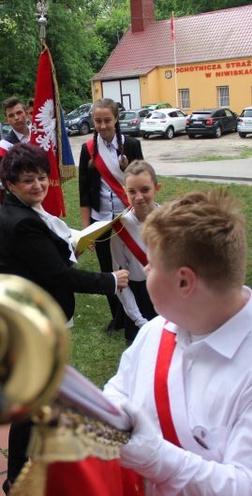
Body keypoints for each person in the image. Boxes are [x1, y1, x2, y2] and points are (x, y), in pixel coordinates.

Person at [103, 189, 252, 496]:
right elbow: (121, 387)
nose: (146, 271)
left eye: (150, 263)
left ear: (184, 281)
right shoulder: (158, 330)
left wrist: (156, 458)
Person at [0, 142, 130, 492]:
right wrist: (110, 281)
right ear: (9, 183)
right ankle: (16, 482)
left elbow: (49, 260)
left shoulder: (26, 214)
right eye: (27, 181)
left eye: (41, 178)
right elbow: (59, 276)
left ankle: (33, 470)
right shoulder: (21, 222)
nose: (37, 185)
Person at [79, 97, 144, 335]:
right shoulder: (87, 150)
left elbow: (142, 179)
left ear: (116, 119)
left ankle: (133, 314)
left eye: (107, 120)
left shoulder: (132, 145)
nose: (103, 125)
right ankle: (116, 316)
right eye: (98, 121)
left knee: (132, 267)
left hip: (128, 216)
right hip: (101, 219)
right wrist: (87, 228)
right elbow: (84, 191)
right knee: (108, 270)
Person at [110, 160, 160, 344]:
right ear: (124, 191)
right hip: (137, 300)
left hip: (167, 296)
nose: (139, 197)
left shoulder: (169, 219)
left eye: (145, 190)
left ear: (157, 188)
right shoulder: (119, 227)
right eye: (132, 191)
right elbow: (120, 280)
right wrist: (138, 319)